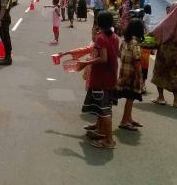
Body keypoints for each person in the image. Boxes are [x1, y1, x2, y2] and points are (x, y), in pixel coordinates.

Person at [61, 11, 119, 149]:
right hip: (110, 77)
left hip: (101, 78)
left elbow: (103, 58)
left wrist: (85, 64)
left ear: (99, 23)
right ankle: (100, 130)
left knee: (104, 110)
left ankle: (109, 140)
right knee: (103, 107)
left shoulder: (101, 38)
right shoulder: (115, 37)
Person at [151, 1, 177, 108]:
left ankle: (161, 97)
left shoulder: (167, 22)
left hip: (164, 53)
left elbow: (156, 31)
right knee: (175, 77)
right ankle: (176, 101)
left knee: (159, 74)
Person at [117, 19, 145, 131]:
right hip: (132, 75)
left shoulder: (124, 41)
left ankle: (129, 118)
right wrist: (140, 78)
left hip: (124, 72)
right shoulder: (135, 44)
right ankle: (124, 121)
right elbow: (137, 62)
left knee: (130, 97)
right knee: (131, 97)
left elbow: (119, 54)